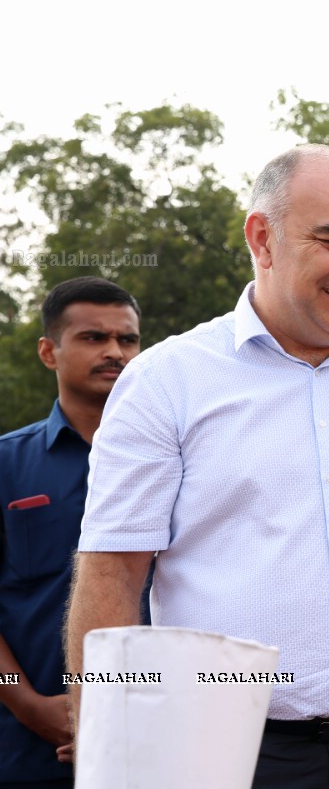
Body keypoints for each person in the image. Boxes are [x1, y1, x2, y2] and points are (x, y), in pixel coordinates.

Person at [65, 144, 329, 789]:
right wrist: (110, 759)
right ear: (262, 239)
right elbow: (111, 577)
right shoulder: (166, 382)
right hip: (221, 752)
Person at [0, 276, 141, 788]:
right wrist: (27, 702)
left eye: (127, 339)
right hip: (33, 748)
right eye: (93, 337)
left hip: (159, 734)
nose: (114, 352)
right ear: (48, 352)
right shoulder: (6, 464)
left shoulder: (178, 463)